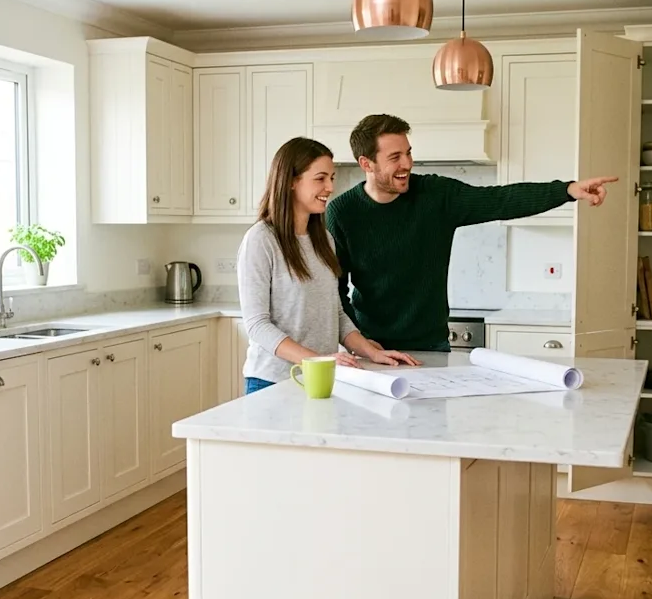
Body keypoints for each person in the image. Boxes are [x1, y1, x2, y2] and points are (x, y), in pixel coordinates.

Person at [326, 113, 619, 353]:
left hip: (432, 346)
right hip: (371, 348)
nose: (407, 164)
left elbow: (501, 200)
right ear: (367, 163)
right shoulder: (342, 213)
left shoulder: (436, 196)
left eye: (408, 153)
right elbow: (334, 291)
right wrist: (360, 343)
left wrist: (566, 190)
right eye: (395, 157)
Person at [237, 136, 420, 395]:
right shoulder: (261, 239)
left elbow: (335, 312)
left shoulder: (323, 239)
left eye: (332, 178)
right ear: (291, 181)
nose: (330, 187)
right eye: (320, 178)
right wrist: (317, 360)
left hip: (321, 378)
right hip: (273, 381)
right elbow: (257, 326)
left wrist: (370, 351)